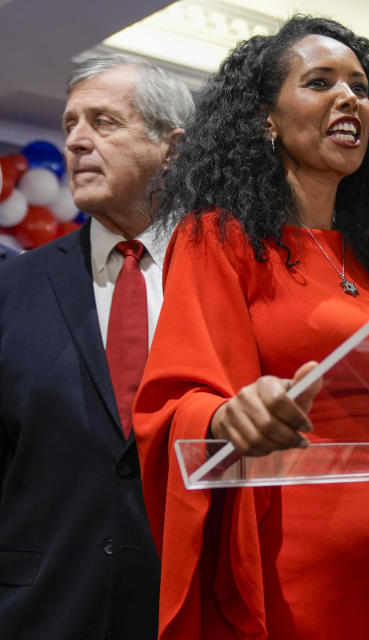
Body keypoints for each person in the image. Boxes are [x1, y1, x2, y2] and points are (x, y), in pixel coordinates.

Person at [133, 16, 369, 640]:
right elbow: (175, 402)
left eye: (359, 85)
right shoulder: (219, 237)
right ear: (266, 118)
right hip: (294, 578)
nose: (349, 98)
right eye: (320, 82)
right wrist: (226, 417)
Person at [0, 54, 191, 638]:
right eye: (70, 125)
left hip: (187, 609)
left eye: (103, 122)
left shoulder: (227, 278)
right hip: (42, 611)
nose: (77, 142)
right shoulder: (12, 287)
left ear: (171, 148)